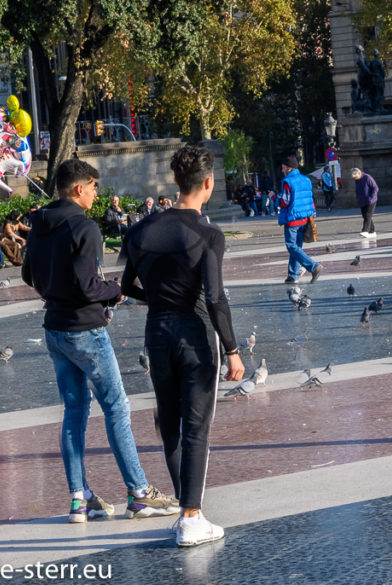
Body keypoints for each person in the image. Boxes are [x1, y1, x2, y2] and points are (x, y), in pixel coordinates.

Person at [21, 158, 178, 524]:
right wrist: (116, 291)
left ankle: (79, 499)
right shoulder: (84, 227)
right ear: (79, 188)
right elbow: (89, 286)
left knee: (74, 413)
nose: (96, 193)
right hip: (85, 330)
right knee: (116, 409)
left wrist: (54, 291)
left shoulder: (38, 224)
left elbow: (30, 274)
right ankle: (138, 493)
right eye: (93, 187)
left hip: (54, 329)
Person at [121, 143, 244, 547]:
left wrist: (157, 299)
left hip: (156, 332)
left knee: (168, 424)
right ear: (208, 183)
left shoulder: (139, 230)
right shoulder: (208, 234)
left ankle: (186, 512)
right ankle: (192, 517)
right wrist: (232, 349)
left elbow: (125, 287)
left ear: (176, 181)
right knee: (196, 427)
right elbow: (214, 297)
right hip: (194, 334)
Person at [278, 154, 321, 284]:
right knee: (297, 247)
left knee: (291, 246)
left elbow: (284, 202)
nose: (282, 170)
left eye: (283, 167)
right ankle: (293, 275)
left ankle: (313, 267)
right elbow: (310, 199)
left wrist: (274, 197)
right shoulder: (306, 179)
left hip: (292, 218)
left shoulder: (287, 182)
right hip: (304, 218)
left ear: (288, 168)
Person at [351, 167, 378, 238]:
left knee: (367, 215)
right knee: (365, 216)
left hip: (371, 200)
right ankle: (372, 231)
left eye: (356, 177)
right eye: (354, 178)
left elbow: (375, 188)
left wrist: (371, 197)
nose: (355, 178)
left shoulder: (367, 177)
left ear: (359, 173)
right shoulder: (357, 180)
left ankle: (365, 231)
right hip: (362, 201)